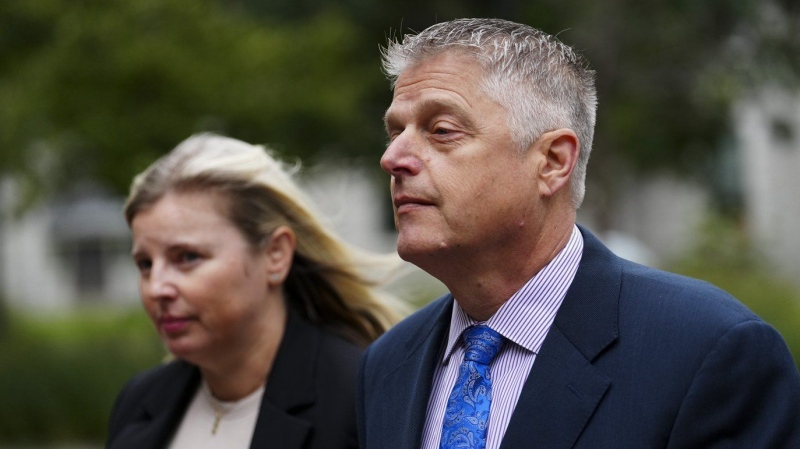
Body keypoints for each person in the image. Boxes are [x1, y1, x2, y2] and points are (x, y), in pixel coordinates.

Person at [357, 18, 800, 449]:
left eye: (441, 131)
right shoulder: (388, 363)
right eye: (395, 132)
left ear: (552, 162)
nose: (393, 157)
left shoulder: (707, 350)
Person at [107, 133, 401, 449]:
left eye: (188, 257)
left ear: (275, 255)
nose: (157, 288)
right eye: (145, 264)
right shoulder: (139, 402)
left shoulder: (361, 399)